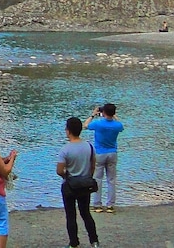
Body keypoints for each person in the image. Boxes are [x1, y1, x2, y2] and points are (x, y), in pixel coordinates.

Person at [58, 117, 100, 248]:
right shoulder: (89, 146)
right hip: (85, 184)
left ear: (68, 131)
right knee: (86, 213)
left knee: (71, 215)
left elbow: (59, 170)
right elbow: (93, 165)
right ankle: (94, 241)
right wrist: (88, 176)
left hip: (70, 185)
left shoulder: (65, 150)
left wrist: (67, 176)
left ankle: (74, 243)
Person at [84, 103, 123, 213]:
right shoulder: (117, 126)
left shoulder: (98, 123)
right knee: (111, 180)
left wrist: (93, 115)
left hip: (100, 153)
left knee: (97, 179)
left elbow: (85, 125)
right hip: (112, 153)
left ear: (103, 112)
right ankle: (110, 205)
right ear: (114, 113)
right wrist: (114, 116)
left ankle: (97, 205)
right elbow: (120, 124)